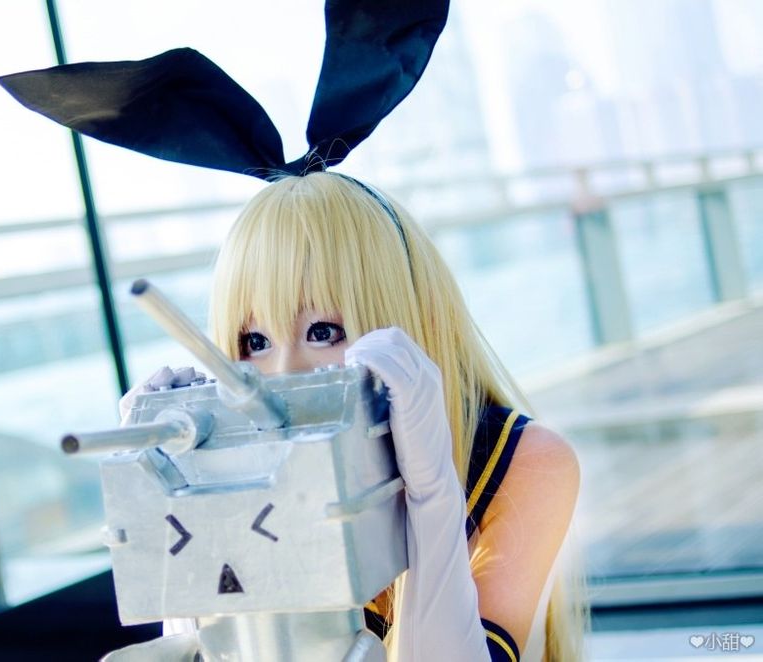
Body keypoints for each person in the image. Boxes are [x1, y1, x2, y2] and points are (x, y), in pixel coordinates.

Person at [145, 171, 588, 662]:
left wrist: (431, 492)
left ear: (407, 322)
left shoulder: (527, 462)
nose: (285, 375)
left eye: (323, 332)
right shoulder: (263, 482)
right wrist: (182, 500)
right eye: (255, 342)